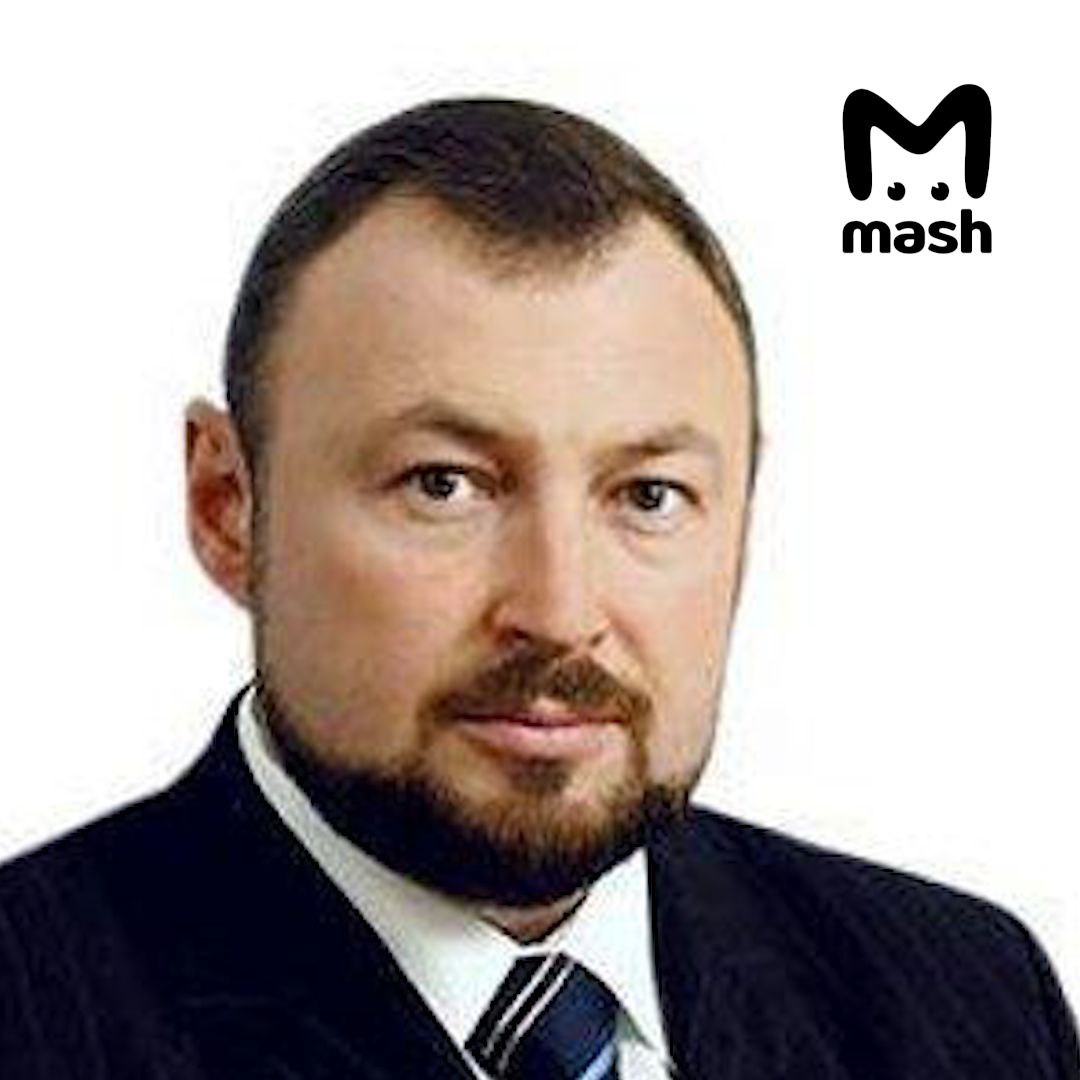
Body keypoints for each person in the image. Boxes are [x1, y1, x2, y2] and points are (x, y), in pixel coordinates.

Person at [0, 96, 1076, 1080]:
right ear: (227, 506)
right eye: (444, 485)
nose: (561, 613)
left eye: (648, 495)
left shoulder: (973, 999)